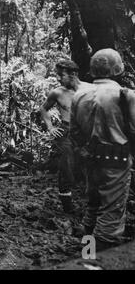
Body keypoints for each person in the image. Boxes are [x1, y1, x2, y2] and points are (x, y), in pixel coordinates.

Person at [70, 49, 135, 251]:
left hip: (90, 159)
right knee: (111, 214)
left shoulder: (79, 95)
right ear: (117, 69)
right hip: (117, 161)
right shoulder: (126, 95)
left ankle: (87, 254)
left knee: (93, 206)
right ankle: (100, 257)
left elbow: (74, 133)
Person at [40, 59, 92, 213]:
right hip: (66, 131)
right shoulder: (57, 92)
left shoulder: (90, 90)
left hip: (86, 132)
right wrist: (50, 127)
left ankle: (92, 205)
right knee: (66, 166)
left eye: (61, 75)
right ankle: (68, 207)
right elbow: (43, 109)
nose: (58, 78)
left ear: (73, 74)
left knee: (89, 166)